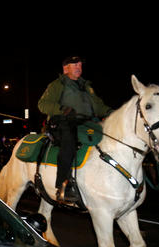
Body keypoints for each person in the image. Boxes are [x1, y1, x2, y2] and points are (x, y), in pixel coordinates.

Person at [37, 56, 113, 204]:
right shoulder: (57, 84)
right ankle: (63, 186)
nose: (79, 67)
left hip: (87, 123)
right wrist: (62, 109)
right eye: (74, 65)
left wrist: (112, 113)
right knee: (69, 142)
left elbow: (99, 107)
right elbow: (42, 104)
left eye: (80, 65)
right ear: (65, 69)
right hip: (64, 122)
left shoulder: (87, 86)